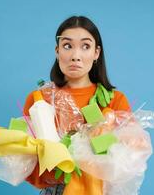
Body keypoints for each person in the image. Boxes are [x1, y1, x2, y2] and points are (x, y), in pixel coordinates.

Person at [23, 16, 131, 195]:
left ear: (96, 53)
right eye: (67, 46)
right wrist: (58, 169)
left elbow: (127, 159)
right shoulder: (40, 99)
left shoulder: (115, 101)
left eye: (85, 46)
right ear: (57, 51)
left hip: (99, 190)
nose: (75, 56)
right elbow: (26, 160)